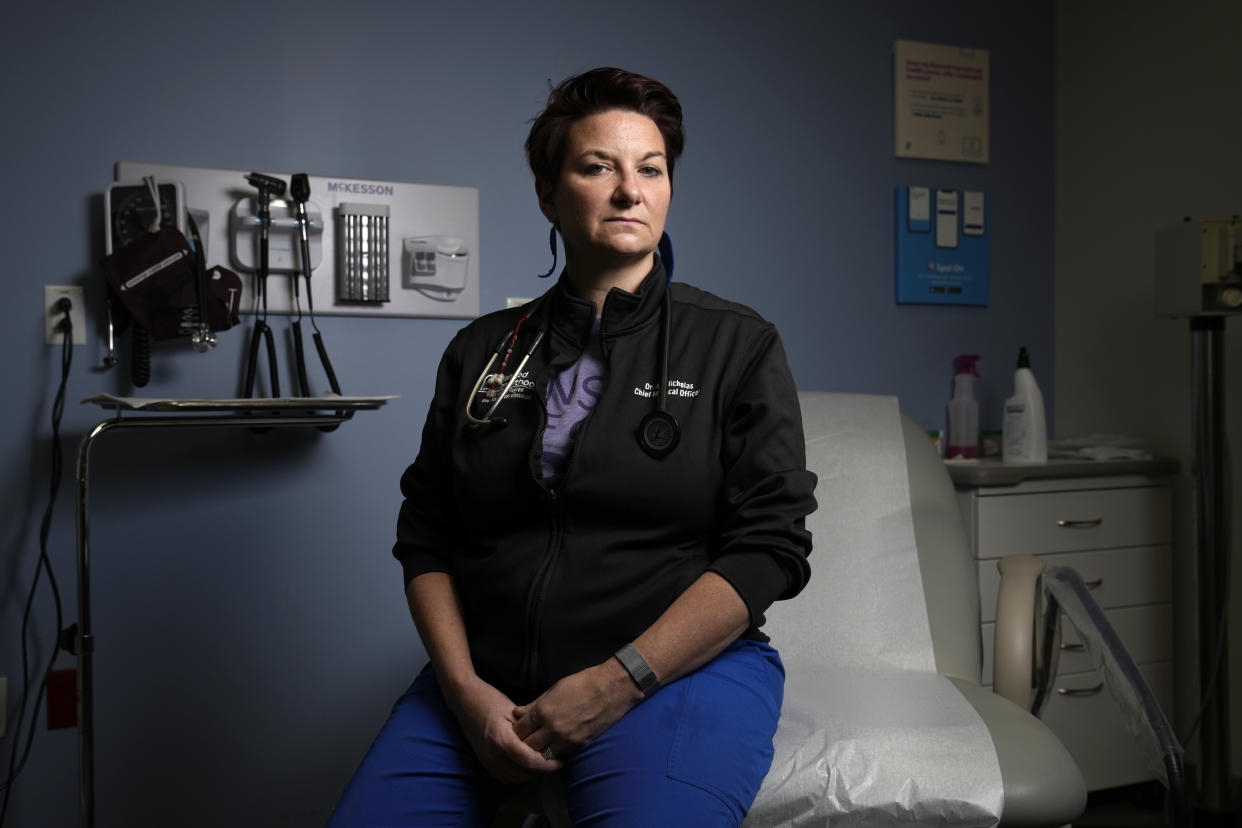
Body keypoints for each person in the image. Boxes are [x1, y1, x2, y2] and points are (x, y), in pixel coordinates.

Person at [328, 67, 817, 827]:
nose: (631, 190)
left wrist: (618, 682)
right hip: (487, 684)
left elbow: (771, 548)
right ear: (548, 193)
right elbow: (426, 538)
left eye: (650, 169)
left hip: (677, 679)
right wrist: (463, 693)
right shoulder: (482, 352)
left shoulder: (736, 345)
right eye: (598, 167)